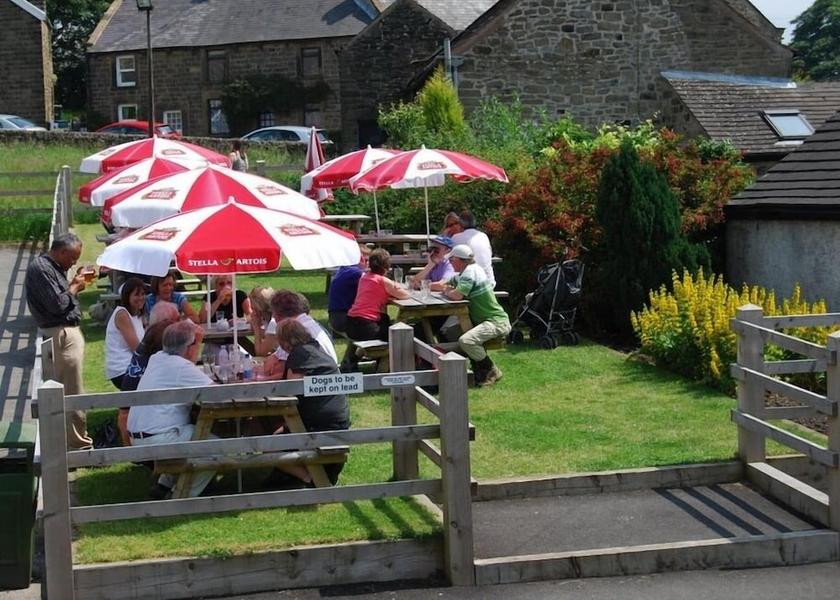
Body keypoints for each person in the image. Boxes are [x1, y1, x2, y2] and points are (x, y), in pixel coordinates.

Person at [129, 320, 215, 499]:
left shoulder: (157, 357)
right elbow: (219, 395)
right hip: (157, 439)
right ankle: (182, 496)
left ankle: (164, 485)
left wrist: (194, 344)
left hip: (139, 436)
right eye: (196, 344)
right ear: (189, 348)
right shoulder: (181, 367)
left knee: (194, 430)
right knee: (218, 448)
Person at [24, 232, 93, 450]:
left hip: (63, 333)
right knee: (71, 391)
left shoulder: (51, 267)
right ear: (61, 252)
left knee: (69, 388)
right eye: (72, 258)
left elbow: (59, 298)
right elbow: (58, 305)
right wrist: (75, 287)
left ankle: (70, 442)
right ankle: (78, 446)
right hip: (61, 333)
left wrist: (73, 282)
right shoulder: (42, 269)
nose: (73, 263)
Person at [268, 317, 351, 486]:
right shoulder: (317, 350)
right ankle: (297, 476)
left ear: (284, 342)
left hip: (318, 427)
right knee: (276, 433)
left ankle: (311, 479)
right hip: (338, 423)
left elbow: (290, 394)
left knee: (268, 446)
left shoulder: (299, 355)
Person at [435, 244, 510, 386]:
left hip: (495, 322)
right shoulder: (468, 271)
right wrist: (428, 285)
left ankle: (490, 370)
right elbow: (444, 283)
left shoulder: (469, 273)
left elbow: (457, 295)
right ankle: (467, 369)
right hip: (483, 321)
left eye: (451, 260)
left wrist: (446, 290)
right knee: (447, 333)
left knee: (466, 341)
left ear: (458, 259)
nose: (450, 263)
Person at [118, 301, 180, 446]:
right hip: (150, 429)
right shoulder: (160, 350)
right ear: (164, 325)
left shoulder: (146, 344)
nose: (180, 324)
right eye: (176, 320)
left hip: (135, 425)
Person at [261, 290, 337, 378]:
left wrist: (259, 381)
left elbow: (278, 369)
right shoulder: (308, 323)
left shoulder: (292, 330)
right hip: (329, 380)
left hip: (318, 383)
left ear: (276, 315)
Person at [345, 248, 410, 343]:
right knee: (397, 335)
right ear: (387, 266)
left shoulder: (364, 278)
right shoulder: (383, 281)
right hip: (366, 327)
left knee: (385, 318)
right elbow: (405, 295)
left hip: (351, 324)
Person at [104, 277, 146, 389]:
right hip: (122, 369)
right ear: (127, 296)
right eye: (136, 294)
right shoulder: (122, 314)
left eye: (143, 294)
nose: (141, 298)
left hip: (133, 365)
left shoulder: (138, 315)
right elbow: (137, 349)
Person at [327, 244, 371, 335]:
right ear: (359, 258)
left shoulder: (345, 269)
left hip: (336, 317)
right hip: (343, 319)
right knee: (379, 327)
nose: (367, 264)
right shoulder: (355, 273)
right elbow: (376, 284)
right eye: (366, 260)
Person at [449, 209, 496, 288]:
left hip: (471, 283)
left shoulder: (456, 238)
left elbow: (445, 258)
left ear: (460, 225)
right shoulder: (484, 236)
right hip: (489, 282)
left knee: (445, 283)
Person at [248, 286, 277, 356]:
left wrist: (256, 328)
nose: (253, 313)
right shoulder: (267, 320)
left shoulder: (274, 322)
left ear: (260, 308)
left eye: (254, 309)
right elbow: (265, 334)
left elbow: (260, 353)